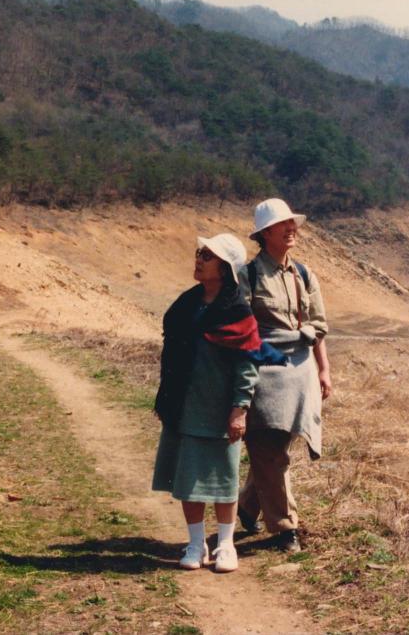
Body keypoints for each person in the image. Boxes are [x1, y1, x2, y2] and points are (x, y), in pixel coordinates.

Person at [152, 233, 261, 573]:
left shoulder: (238, 313)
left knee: (224, 481)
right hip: (185, 407)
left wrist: (239, 408)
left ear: (226, 269)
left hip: (219, 411)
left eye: (208, 256)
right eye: (200, 253)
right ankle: (196, 544)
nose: (199, 260)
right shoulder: (186, 305)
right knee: (189, 480)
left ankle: (226, 545)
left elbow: (248, 365)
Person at [237, 198, 332, 553]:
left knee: (275, 447)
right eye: (283, 224)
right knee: (270, 451)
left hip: (301, 373)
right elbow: (242, 332)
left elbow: (318, 326)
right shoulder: (247, 276)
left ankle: (248, 506)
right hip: (265, 373)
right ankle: (285, 528)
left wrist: (324, 368)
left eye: (293, 223)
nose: (292, 229)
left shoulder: (304, 274)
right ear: (264, 234)